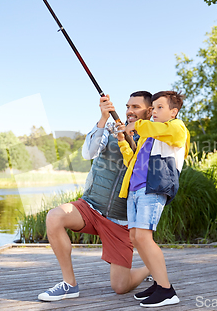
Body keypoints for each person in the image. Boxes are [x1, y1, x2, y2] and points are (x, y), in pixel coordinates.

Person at [38, 91, 153, 302]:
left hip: (120, 220)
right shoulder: (109, 129)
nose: (129, 111)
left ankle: (148, 268)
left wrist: (130, 136)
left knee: (120, 287)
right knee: (55, 216)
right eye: (127, 106)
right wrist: (103, 118)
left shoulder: (154, 139)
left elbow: (144, 169)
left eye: (136, 107)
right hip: (89, 207)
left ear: (150, 110)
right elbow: (88, 153)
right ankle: (69, 284)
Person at [116, 91, 190, 308]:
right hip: (135, 190)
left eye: (159, 108)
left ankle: (167, 290)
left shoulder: (176, 128)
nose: (154, 112)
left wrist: (135, 125)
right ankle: (159, 284)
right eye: (153, 108)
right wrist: (123, 141)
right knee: (136, 237)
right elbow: (132, 161)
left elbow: (155, 128)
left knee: (144, 238)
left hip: (154, 188)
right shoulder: (149, 135)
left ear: (173, 112)